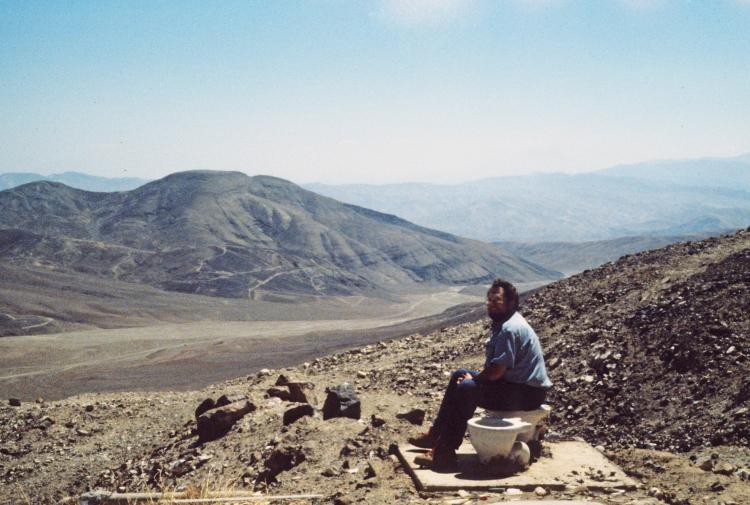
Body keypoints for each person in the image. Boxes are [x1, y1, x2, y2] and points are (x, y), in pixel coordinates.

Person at [409, 278, 552, 469]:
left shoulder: (510, 329)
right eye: (489, 300)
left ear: (510, 303)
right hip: (516, 386)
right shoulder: (507, 323)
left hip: (526, 393)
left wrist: (475, 380)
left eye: (496, 301)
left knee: (467, 387)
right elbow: (498, 372)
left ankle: (444, 453)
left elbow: (496, 372)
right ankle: (435, 434)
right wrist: (474, 378)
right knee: (459, 374)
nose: (490, 304)